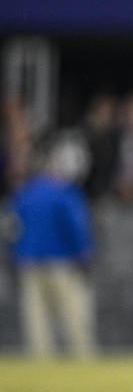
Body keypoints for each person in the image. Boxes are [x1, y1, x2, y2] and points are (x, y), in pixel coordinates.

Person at [8, 134, 97, 359]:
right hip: (63, 264)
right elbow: (77, 228)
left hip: (29, 262)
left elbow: (12, 229)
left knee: (37, 321)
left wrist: (16, 254)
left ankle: (41, 363)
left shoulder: (25, 194)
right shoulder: (67, 194)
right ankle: (83, 360)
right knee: (74, 317)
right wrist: (85, 255)